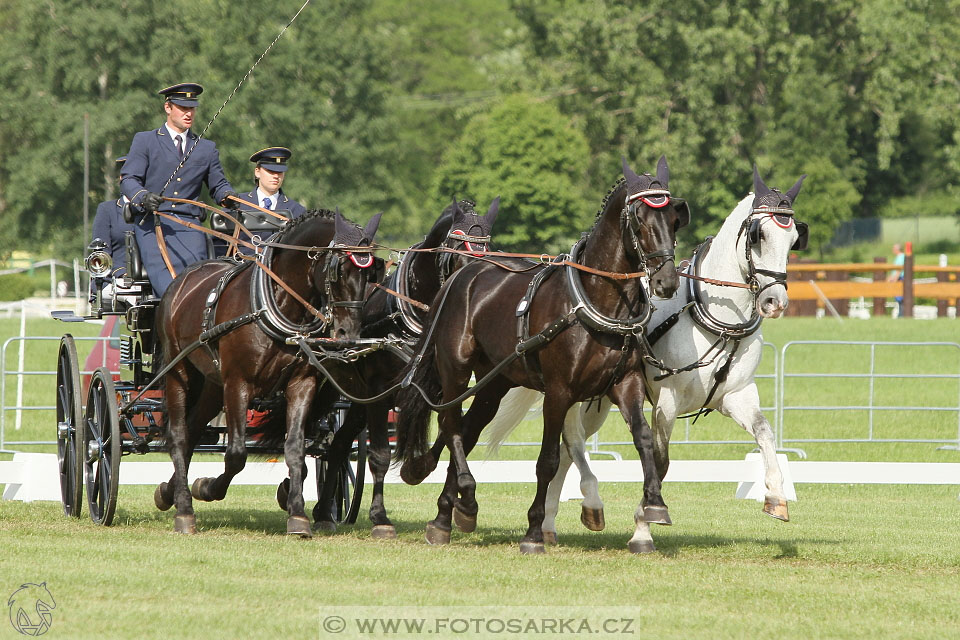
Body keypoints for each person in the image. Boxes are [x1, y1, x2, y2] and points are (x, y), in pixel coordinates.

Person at [120, 82, 239, 296]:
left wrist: (228, 197)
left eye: (192, 108)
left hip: (190, 227)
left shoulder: (206, 148)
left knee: (200, 288)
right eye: (183, 108)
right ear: (168, 108)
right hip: (152, 224)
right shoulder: (146, 140)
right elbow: (128, 179)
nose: (189, 113)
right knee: (171, 289)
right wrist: (143, 197)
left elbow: (218, 186)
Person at [213, 146, 307, 257]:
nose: (276, 176)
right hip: (240, 268)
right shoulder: (237, 204)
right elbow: (218, 244)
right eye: (270, 171)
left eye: (280, 172)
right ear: (257, 172)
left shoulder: (297, 211)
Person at [91, 155, 135, 273]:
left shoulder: (158, 211)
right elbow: (102, 255)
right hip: (115, 279)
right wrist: (121, 273)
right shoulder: (107, 210)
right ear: (121, 179)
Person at [887, 243, 905, 317]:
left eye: (893, 249)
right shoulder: (898, 257)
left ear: (897, 249)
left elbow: (899, 270)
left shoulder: (901, 257)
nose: (892, 250)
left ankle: (902, 314)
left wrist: (894, 279)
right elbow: (895, 271)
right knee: (898, 297)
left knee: (901, 297)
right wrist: (889, 278)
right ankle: (900, 313)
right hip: (898, 278)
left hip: (900, 279)